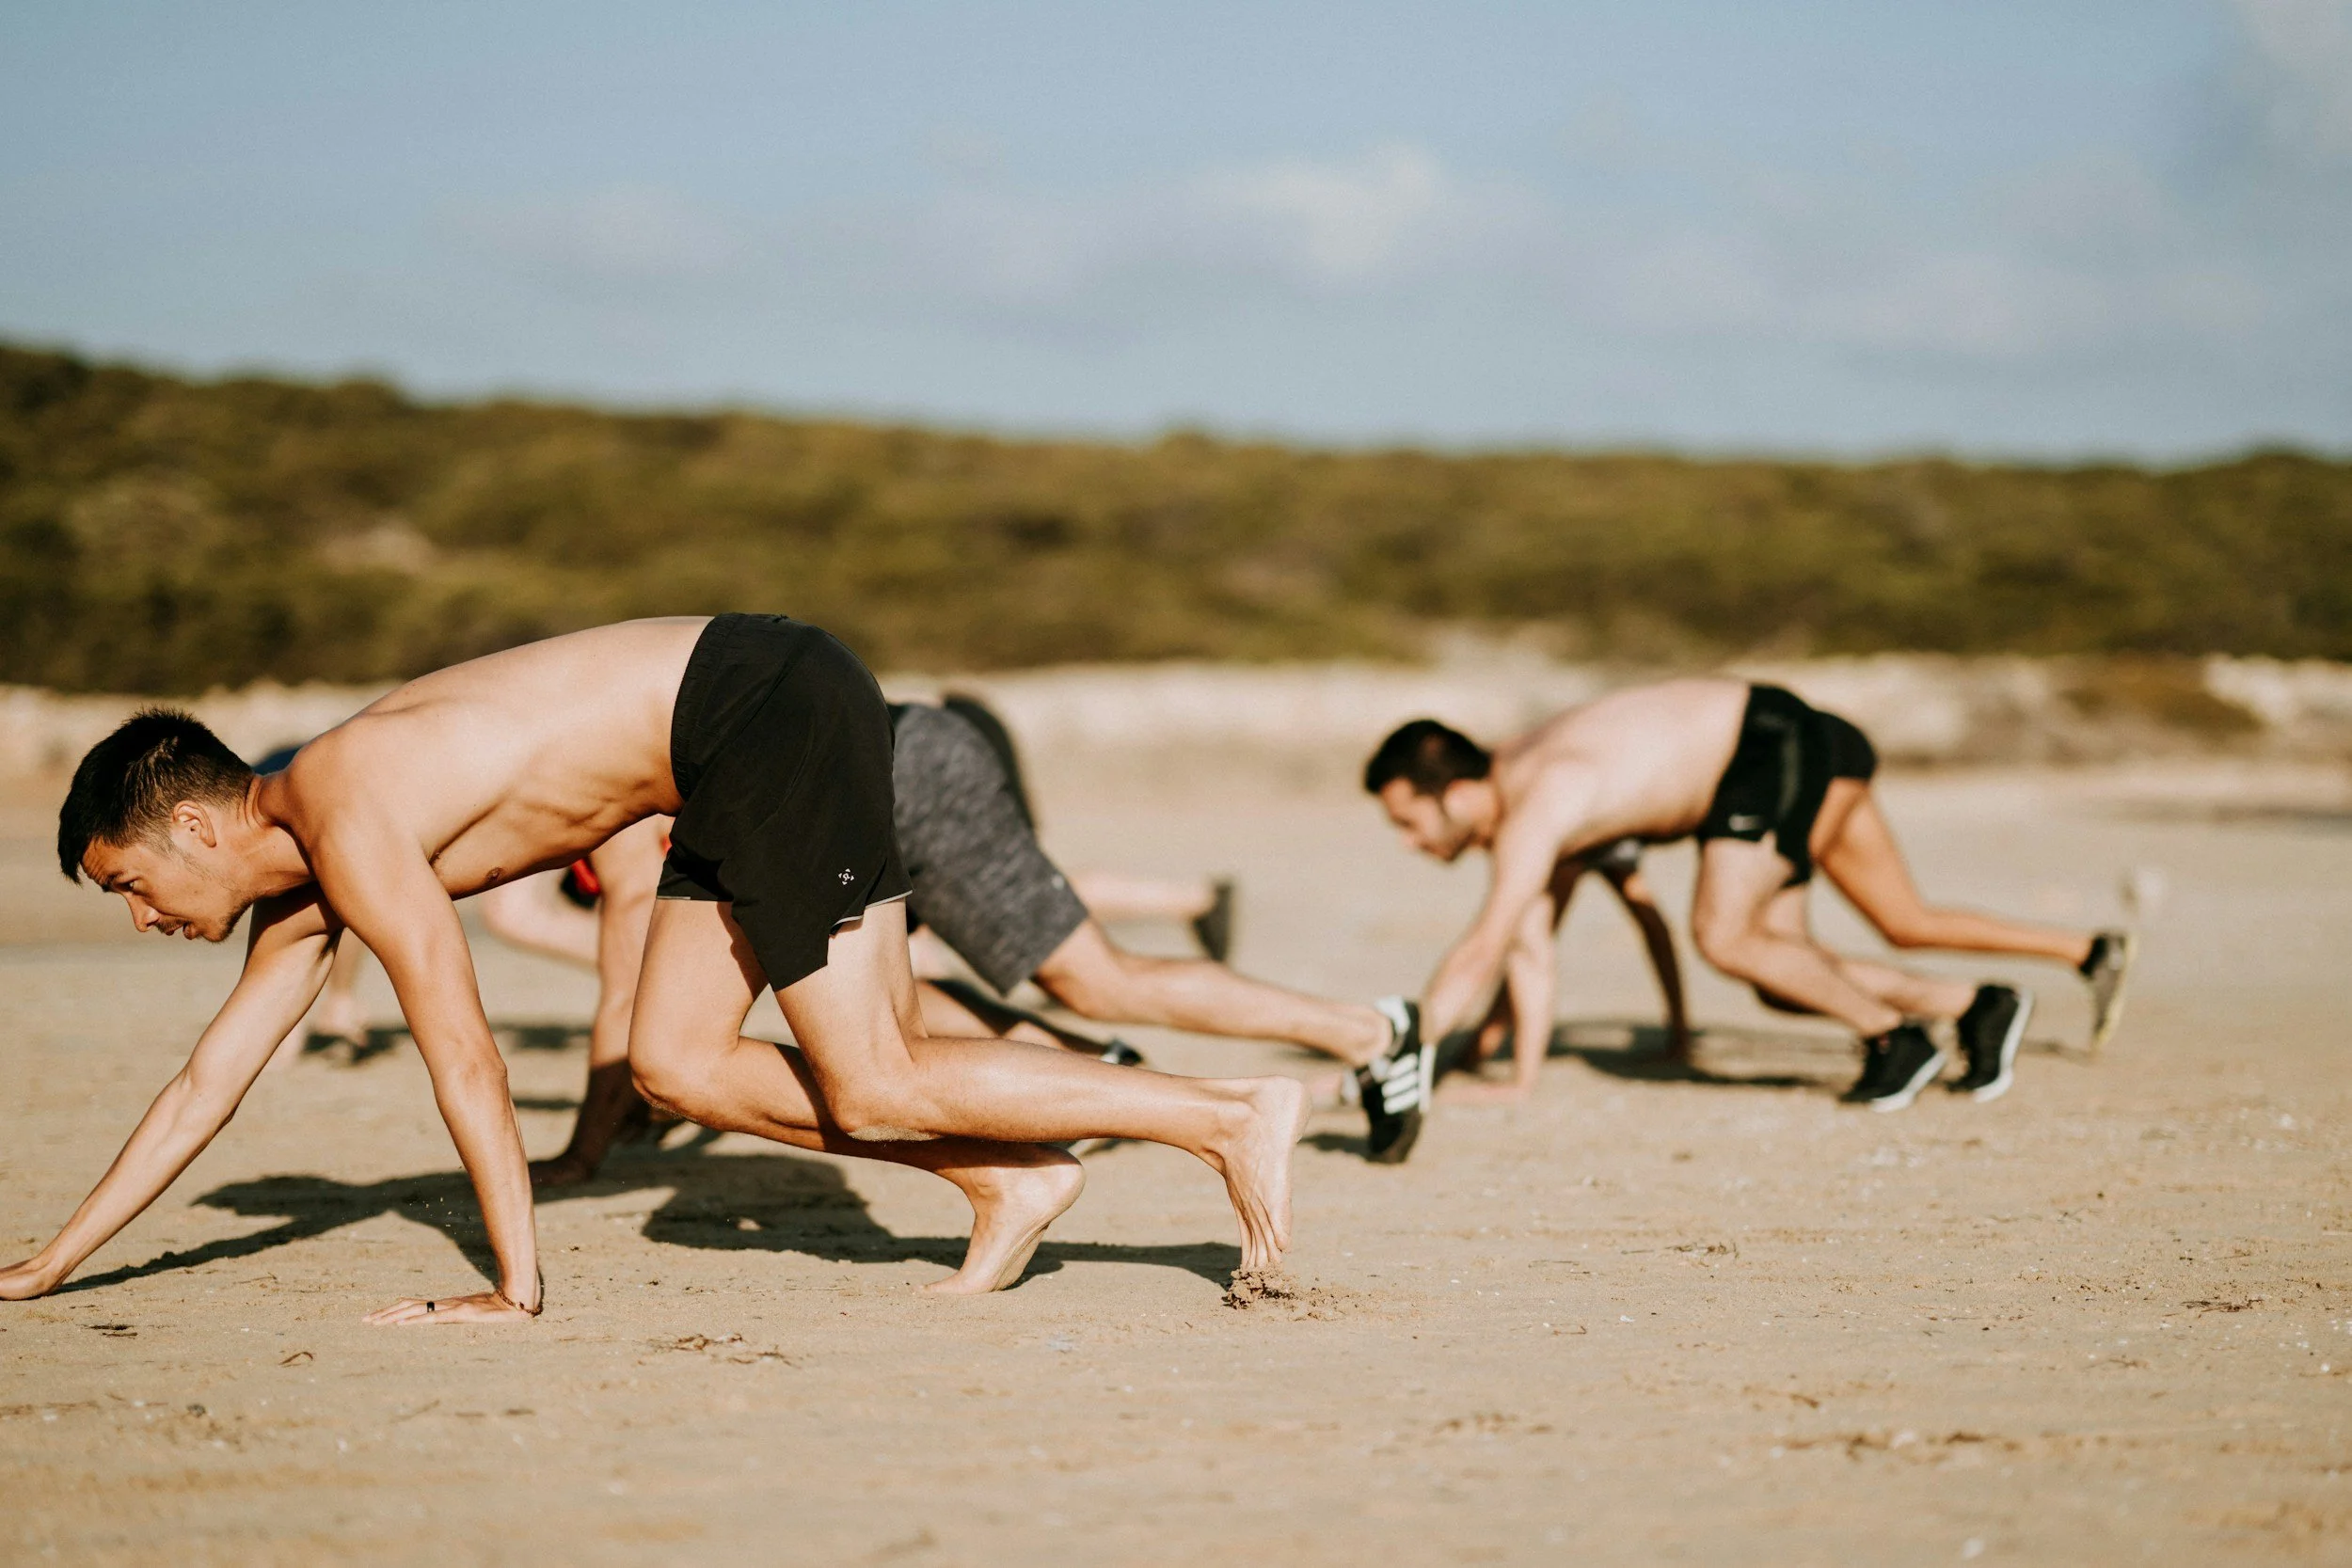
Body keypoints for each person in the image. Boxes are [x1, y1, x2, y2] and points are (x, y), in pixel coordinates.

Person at [2, 615, 1309, 1323]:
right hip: (722, 753)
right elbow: (205, 1082)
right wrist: (50, 1262)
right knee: (678, 1064)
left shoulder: (343, 808)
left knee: (877, 1075)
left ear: (193, 824)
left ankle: (1228, 1114)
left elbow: (464, 1047)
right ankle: (1009, 1177)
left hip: (763, 705)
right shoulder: (298, 880)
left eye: (130, 884)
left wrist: (513, 1281)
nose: (142, 915)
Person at [531, 695, 1422, 1185]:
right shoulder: (607, 785)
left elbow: (624, 994)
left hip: (907, 771)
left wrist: (583, 1152)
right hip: (875, 770)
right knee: (886, 992)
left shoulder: (605, 826)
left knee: (1091, 975)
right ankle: (1075, 1061)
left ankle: (1371, 1033)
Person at [1364, 680, 2135, 1130]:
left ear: (1458, 793)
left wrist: (1407, 1057)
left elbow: (1486, 941)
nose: (1405, 843)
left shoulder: (1541, 798)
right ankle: (1976, 1005)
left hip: (1768, 744)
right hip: (1762, 749)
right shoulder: (1520, 799)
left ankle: (1898, 1037)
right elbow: (1527, 950)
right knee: (1783, 969)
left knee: (1725, 937)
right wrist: (1464, 1057)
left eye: (1407, 822)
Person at [1443, 834, 1692, 1104]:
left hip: (1578, 831)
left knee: (1531, 940)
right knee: (1643, 913)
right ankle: (1680, 1034)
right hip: (1600, 823)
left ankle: (1490, 1044)